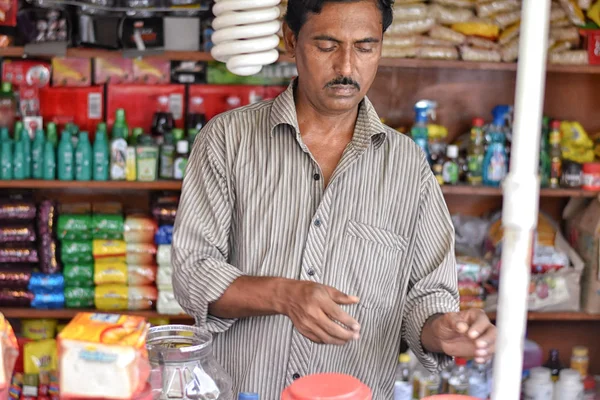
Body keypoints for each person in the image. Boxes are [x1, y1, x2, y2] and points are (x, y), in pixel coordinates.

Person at [172, 0, 497, 398]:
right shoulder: (227, 140)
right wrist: (283, 295)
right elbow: (192, 273)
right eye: (327, 46)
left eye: (365, 47)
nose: (346, 67)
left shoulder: (406, 165)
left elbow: (425, 297)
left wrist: (442, 330)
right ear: (292, 40)